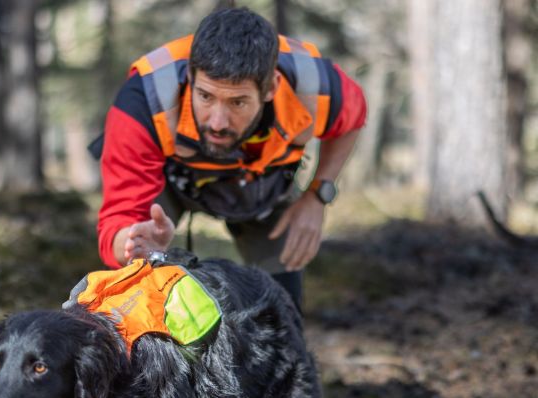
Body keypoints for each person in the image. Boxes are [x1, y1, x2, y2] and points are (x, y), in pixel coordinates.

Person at [91, 7, 366, 308]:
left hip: (265, 181)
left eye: (238, 102)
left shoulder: (316, 85)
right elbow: (117, 223)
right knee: (133, 295)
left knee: (283, 309)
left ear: (270, 88)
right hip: (170, 180)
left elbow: (353, 119)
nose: (218, 121)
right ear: (191, 76)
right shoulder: (143, 100)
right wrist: (134, 244)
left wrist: (317, 195)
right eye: (206, 96)